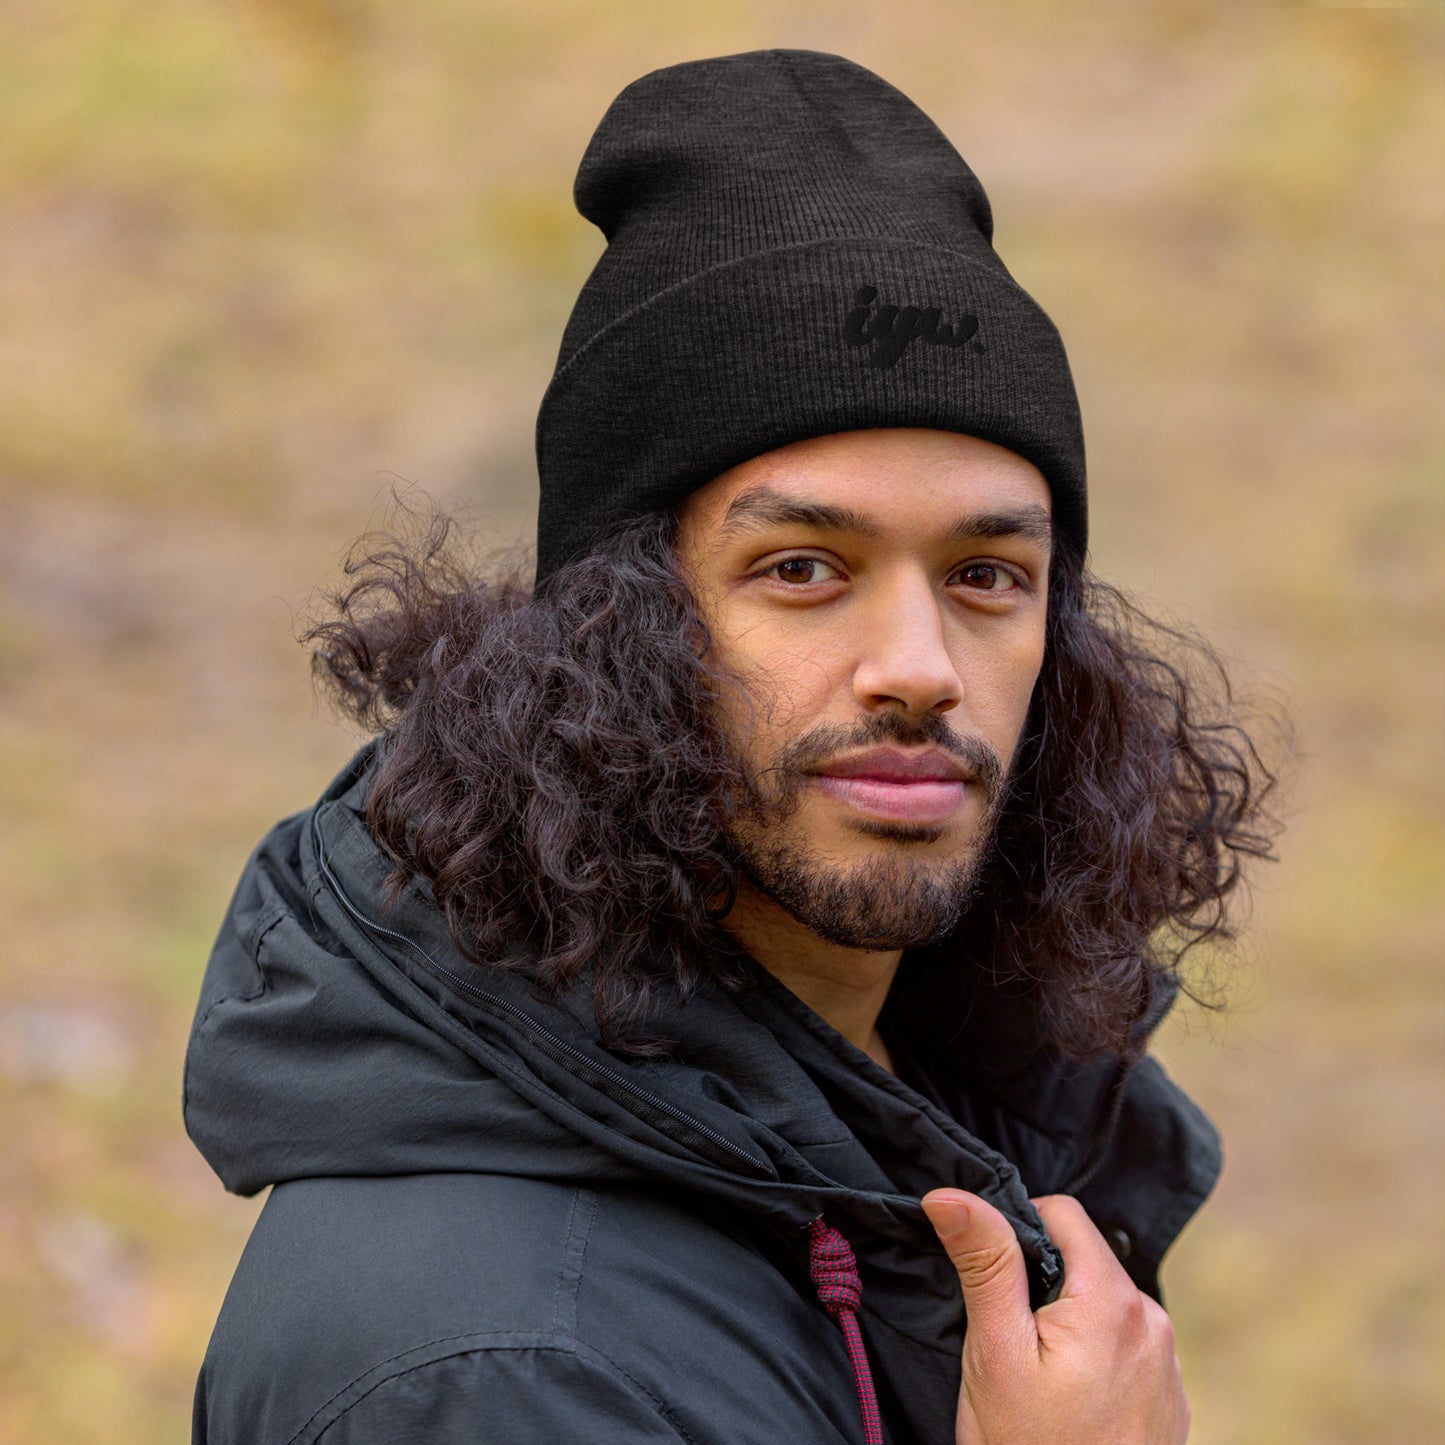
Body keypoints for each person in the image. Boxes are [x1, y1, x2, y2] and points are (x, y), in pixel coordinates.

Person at [185, 50, 1279, 1444]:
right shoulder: (500, 1369)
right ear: (613, 629)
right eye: (804, 568)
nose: (919, 669)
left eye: (986, 576)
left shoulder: (921, 1110)